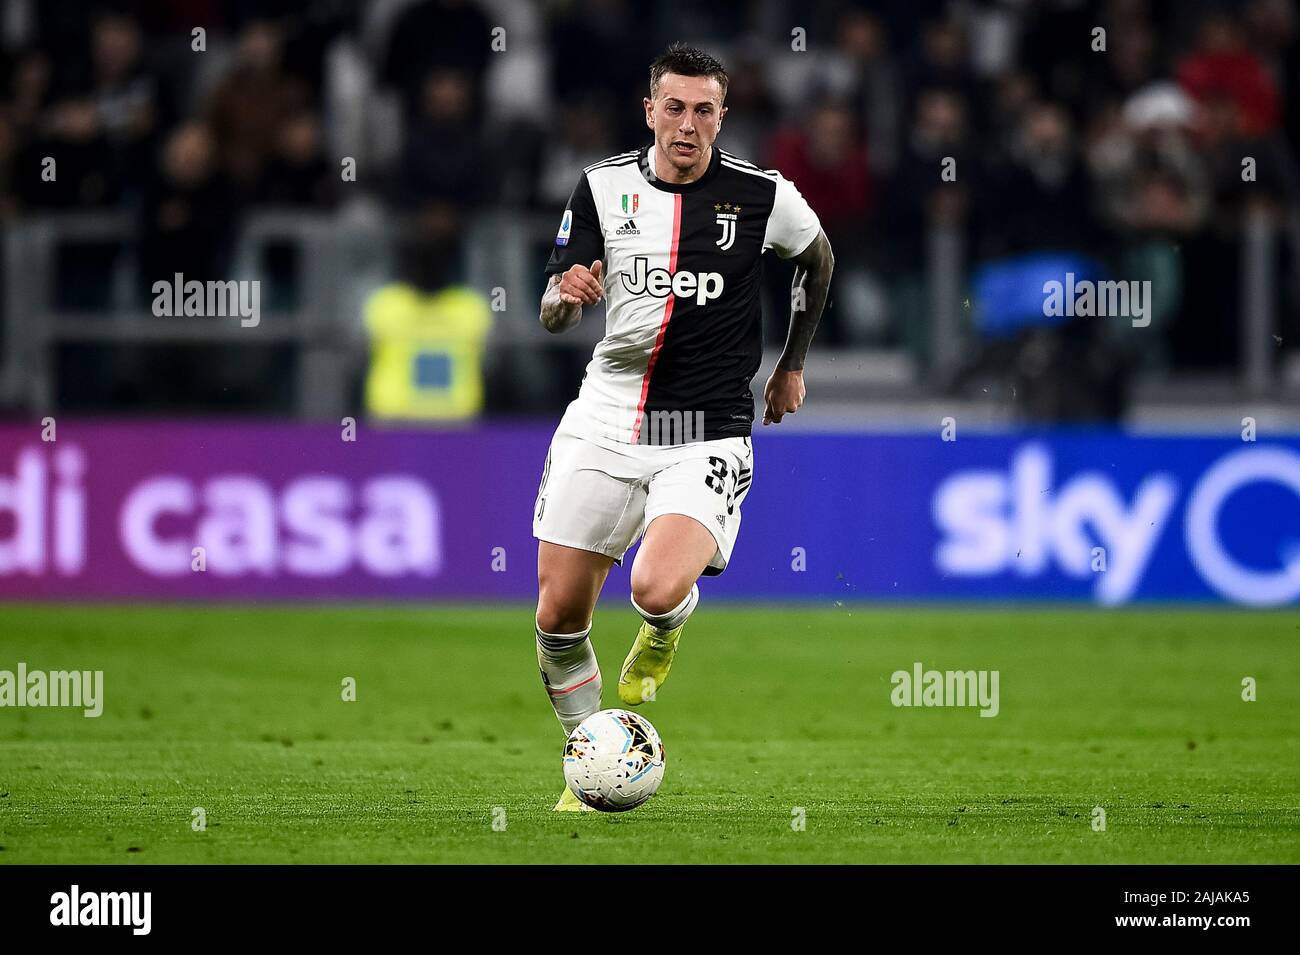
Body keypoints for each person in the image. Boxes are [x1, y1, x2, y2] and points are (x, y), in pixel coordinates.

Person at [532, 44, 834, 811]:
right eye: (675, 107)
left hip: (706, 424)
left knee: (656, 587)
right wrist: (568, 296)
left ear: (722, 116)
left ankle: (664, 629)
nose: (688, 124)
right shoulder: (602, 187)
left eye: (705, 110)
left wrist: (792, 364)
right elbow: (552, 311)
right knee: (558, 616)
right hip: (606, 415)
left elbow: (819, 258)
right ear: (650, 110)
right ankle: (591, 757)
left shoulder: (762, 196)